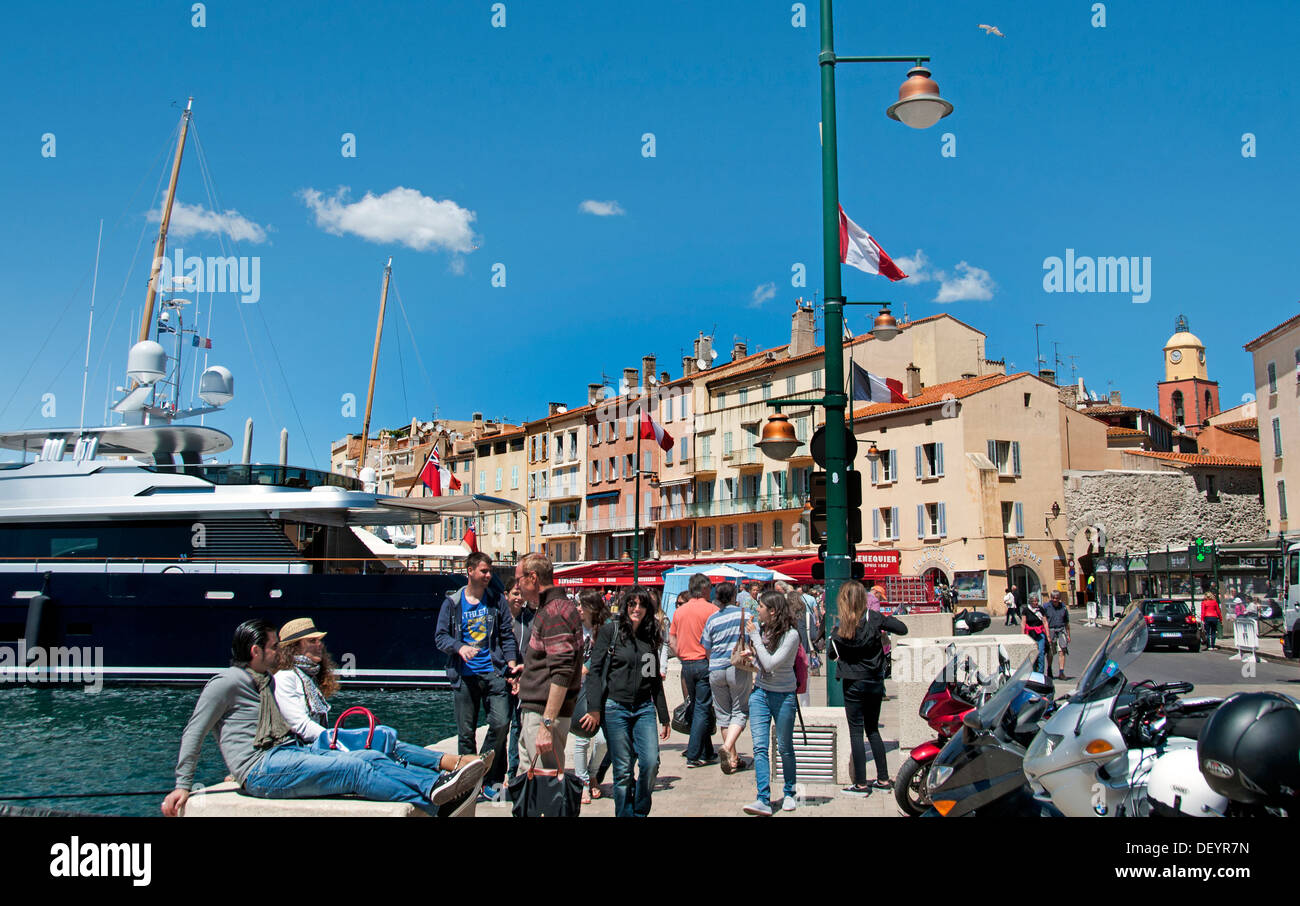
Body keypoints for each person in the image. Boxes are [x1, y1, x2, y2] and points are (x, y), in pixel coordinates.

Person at [161, 620, 485, 818]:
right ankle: (436, 802)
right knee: (354, 768)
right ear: (255, 652)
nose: (279, 652)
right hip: (262, 769)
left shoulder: (266, 680)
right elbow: (195, 731)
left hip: (287, 754)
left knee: (370, 754)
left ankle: (438, 785)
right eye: (273, 648)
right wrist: (183, 785)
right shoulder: (226, 682)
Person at [273, 617, 480, 777]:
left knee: (385, 739)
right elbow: (301, 726)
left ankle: (447, 768)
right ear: (294, 647)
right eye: (312, 641)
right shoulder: (286, 678)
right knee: (379, 748)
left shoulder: (307, 678)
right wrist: (338, 740)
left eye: (319, 640)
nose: (320, 645)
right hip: (306, 752)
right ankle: (451, 764)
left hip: (319, 747)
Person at [577, 586, 671, 817]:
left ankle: (639, 811)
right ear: (625, 605)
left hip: (643, 708)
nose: (636, 609)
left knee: (650, 763)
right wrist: (594, 709)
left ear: (648, 609)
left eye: (641, 605)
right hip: (614, 708)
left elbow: (653, 678)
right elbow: (595, 672)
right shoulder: (612, 631)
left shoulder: (650, 637)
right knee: (623, 770)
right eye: (632, 604)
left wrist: (664, 716)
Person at [434, 551, 518, 801]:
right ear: (470, 571)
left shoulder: (495, 600)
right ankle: (468, 783)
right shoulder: (453, 602)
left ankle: (487, 775)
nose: (488, 575)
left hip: (493, 672)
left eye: (489, 571)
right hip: (464, 676)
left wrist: (511, 666)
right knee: (465, 733)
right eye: (484, 571)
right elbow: (440, 637)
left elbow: (505, 633)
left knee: (502, 722)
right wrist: (459, 647)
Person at [829, 580, 908, 795]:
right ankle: (883, 780)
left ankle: (861, 784)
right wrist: (884, 623)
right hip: (874, 681)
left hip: (853, 683)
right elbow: (902, 628)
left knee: (856, 732)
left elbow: (831, 654)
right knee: (872, 729)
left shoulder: (840, 627)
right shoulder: (874, 619)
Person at [512, 553, 583, 773]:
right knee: (532, 789)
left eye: (519, 579)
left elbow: (562, 672)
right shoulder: (552, 608)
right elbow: (555, 659)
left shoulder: (554, 612)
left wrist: (546, 725)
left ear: (532, 577)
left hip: (543, 716)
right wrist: (532, 669)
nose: (517, 586)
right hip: (537, 713)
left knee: (544, 791)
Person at [740, 591, 800, 816]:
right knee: (760, 747)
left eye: (762, 606)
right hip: (760, 693)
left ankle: (790, 792)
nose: (758, 610)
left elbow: (772, 663)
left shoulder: (791, 635)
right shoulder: (766, 631)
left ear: (773, 611)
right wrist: (751, 655)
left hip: (783, 695)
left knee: (784, 747)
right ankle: (763, 798)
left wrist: (754, 639)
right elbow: (762, 661)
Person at [700, 582, 750, 774]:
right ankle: (727, 748)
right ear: (733, 597)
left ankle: (733, 758)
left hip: (715, 669)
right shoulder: (743, 615)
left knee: (723, 715)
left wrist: (714, 661)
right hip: (736, 667)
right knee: (740, 711)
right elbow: (754, 637)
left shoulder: (712, 619)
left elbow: (706, 647)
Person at [670, 573, 719, 767]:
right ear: (704, 588)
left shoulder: (679, 611)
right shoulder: (712, 610)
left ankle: (707, 750)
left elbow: (671, 639)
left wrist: (681, 655)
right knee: (702, 707)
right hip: (704, 663)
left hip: (686, 664)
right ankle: (693, 754)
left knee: (698, 705)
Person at [574, 589, 610, 804]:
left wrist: (587, 667)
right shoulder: (574, 628)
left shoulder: (604, 629)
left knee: (604, 740)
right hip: (577, 690)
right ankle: (582, 783)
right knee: (581, 737)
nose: (577, 609)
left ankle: (592, 772)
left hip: (600, 688)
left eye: (581, 605)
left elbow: (603, 655)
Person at [504, 577, 530, 781]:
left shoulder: (529, 620)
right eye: (515, 593)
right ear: (506, 595)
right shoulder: (498, 619)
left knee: (516, 725)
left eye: (521, 594)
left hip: (522, 679)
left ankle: (512, 772)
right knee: (499, 725)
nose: (519, 598)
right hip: (500, 679)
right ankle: (492, 772)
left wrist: (521, 675)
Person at [1042, 591, 1070, 680]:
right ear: (1051, 598)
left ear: (1059, 598)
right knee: (1050, 652)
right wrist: (1047, 635)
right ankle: (1049, 669)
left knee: (1062, 651)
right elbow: (1044, 621)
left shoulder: (1063, 607)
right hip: (1050, 630)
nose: (1055, 600)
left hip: (1061, 630)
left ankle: (1061, 672)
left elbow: (1067, 622)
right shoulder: (1046, 607)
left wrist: (1068, 635)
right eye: (1053, 598)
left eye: (1057, 598)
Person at [1023, 593, 1049, 674]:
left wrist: (1048, 636)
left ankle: (1041, 673)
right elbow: (1023, 623)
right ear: (1030, 601)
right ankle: (1033, 672)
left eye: (1037, 601)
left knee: (1041, 653)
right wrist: (1022, 636)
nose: (1036, 603)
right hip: (1030, 634)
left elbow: (1045, 622)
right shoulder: (1026, 610)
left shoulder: (1040, 609)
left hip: (1040, 633)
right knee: (1033, 654)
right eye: (1034, 601)